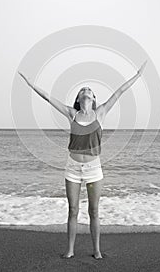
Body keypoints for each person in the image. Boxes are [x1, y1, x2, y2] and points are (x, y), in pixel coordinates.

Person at [18, 60, 147, 259]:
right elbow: (48, 98)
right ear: (79, 98)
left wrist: (138, 75)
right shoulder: (72, 113)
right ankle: (70, 250)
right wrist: (30, 84)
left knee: (94, 210)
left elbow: (119, 92)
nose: (86, 91)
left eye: (89, 90)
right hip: (72, 168)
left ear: (93, 98)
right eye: (82, 90)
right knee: (73, 209)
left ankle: (96, 250)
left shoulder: (101, 112)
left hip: (94, 169)